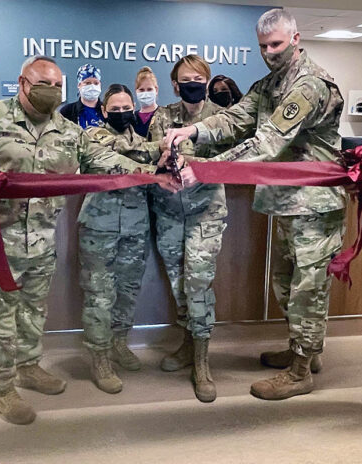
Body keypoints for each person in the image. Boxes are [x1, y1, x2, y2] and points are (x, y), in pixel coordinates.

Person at [0, 56, 177, 425]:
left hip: (40, 243)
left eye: (58, 85)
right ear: (23, 82)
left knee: (32, 314)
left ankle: (28, 366)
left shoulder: (68, 131)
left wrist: (150, 174)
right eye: (44, 84)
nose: (52, 91)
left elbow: (101, 158)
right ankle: (2, 386)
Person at [166, 8, 346, 401]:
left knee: (308, 288)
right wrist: (194, 129)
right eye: (263, 45)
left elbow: (268, 141)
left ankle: (301, 370)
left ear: (296, 39)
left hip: (314, 206)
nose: (269, 52)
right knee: (286, 284)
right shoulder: (271, 84)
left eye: (277, 44)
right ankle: (304, 350)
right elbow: (235, 120)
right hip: (287, 203)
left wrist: (208, 169)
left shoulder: (309, 85)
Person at [148, 54, 231, 403]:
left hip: (206, 213)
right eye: (185, 78)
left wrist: (189, 161)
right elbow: (159, 155)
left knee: (198, 282)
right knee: (180, 285)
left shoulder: (222, 118)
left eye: (199, 77)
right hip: (168, 212)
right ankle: (187, 343)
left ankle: (202, 361)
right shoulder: (162, 116)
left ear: (208, 80)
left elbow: (230, 158)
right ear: (174, 84)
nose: (192, 83)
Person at [79, 84, 165, 394]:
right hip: (99, 228)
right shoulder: (91, 136)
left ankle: (118, 343)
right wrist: (152, 160)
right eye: (113, 109)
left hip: (134, 226)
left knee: (128, 291)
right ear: (103, 111)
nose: (120, 113)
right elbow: (109, 158)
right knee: (99, 294)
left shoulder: (143, 141)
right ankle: (99, 357)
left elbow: (152, 157)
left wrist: (154, 154)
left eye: (125, 107)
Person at [59, 63, 104, 128]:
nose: (92, 86)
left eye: (96, 83)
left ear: (100, 85)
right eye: (87, 83)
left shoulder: (106, 110)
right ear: (79, 85)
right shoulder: (67, 111)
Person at [134, 66, 159, 137]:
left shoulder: (166, 115)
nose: (145, 93)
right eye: (141, 90)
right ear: (136, 91)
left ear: (156, 90)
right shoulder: (132, 119)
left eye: (149, 89)